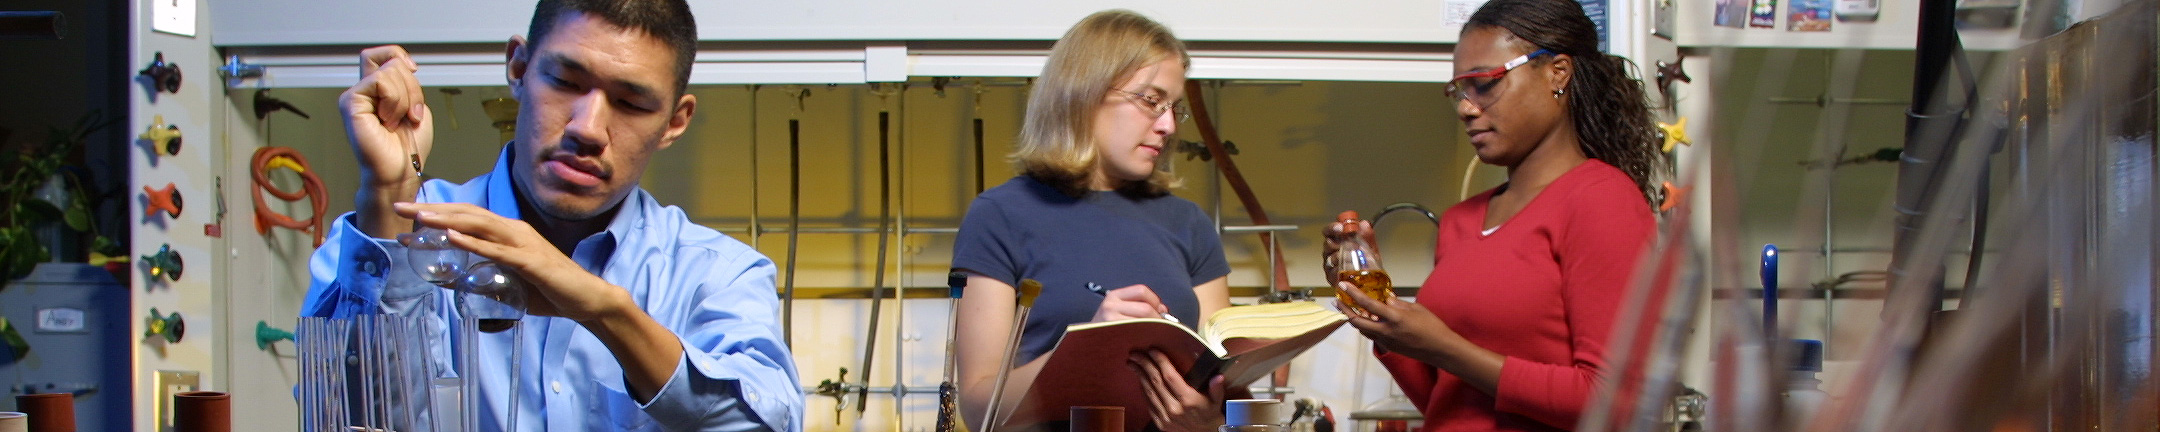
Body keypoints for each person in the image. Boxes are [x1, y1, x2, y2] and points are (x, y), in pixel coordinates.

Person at [298, 0, 802, 430]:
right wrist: (387, 193)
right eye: (565, 81)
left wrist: (605, 313)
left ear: (674, 122)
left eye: (630, 103)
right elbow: (338, 417)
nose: (588, 128)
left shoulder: (718, 275)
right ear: (518, 69)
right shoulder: (387, 245)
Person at [1325, 0, 1665, 429]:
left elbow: (1613, 403)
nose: (1467, 108)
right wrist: (1376, 307)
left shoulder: (1602, 201)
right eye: (1459, 93)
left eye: (1485, 83)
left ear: (1557, 73)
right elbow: (1448, 401)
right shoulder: (1461, 221)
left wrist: (1445, 347)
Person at [948, 9, 1232, 432]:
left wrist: (1209, 416)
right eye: (1151, 101)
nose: (1168, 125)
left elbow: (1219, 383)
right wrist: (1086, 349)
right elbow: (976, 408)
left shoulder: (1188, 223)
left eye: (1174, 108)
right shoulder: (999, 216)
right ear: (1085, 92)